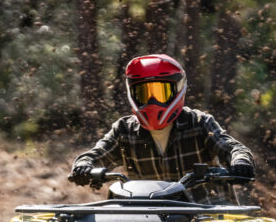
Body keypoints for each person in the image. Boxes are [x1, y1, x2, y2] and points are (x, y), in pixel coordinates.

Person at [69, 54, 255, 203]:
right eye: (144, 93)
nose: (152, 101)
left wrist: (240, 163)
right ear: (132, 93)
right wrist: (83, 167)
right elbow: (95, 155)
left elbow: (233, 148)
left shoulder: (199, 123)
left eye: (160, 92)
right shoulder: (124, 130)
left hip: (208, 219)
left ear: (178, 90)